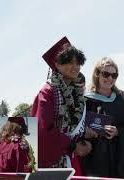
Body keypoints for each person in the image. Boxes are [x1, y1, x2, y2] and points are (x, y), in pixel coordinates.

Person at [30, 37, 95, 175]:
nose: (75, 67)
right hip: (53, 166)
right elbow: (42, 133)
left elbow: (69, 127)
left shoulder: (75, 94)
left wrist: (83, 138)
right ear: (57, 65)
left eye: (78, 63)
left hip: (70, 160)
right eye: (70, 62)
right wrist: (72, 145)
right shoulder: (47, 92)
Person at [82, 57, 124, 179]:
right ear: (97, 74)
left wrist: (119, 131)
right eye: (106, 74)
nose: (110, 78)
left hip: (118, 157)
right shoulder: (85, 100)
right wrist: (85, 132)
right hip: (93, 159)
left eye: (114, 75)